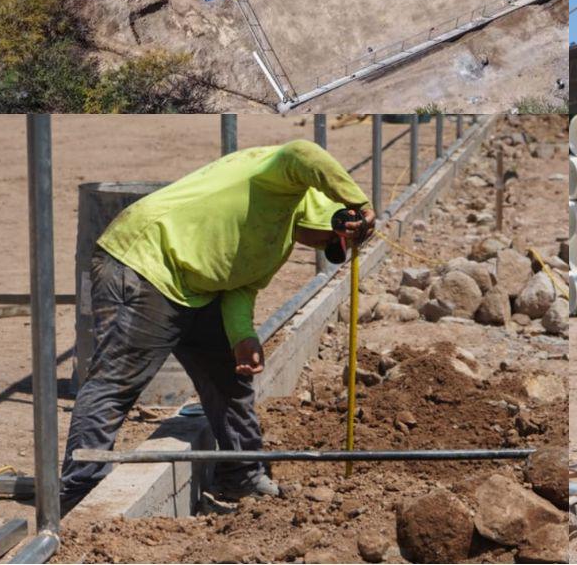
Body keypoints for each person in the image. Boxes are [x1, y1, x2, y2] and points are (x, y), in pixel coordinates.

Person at [60, 139, 374, 509]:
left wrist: (242, 337)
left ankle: (241, 476)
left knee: (230, 381)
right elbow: (303, 151)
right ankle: (80, 490)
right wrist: (361, 204)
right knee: (117, 382)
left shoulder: (279, 241)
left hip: (196, 286)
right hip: (146, 262)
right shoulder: (279, 180)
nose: (322, 247)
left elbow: (240, 287)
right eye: (329, 240)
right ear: (329, 218)